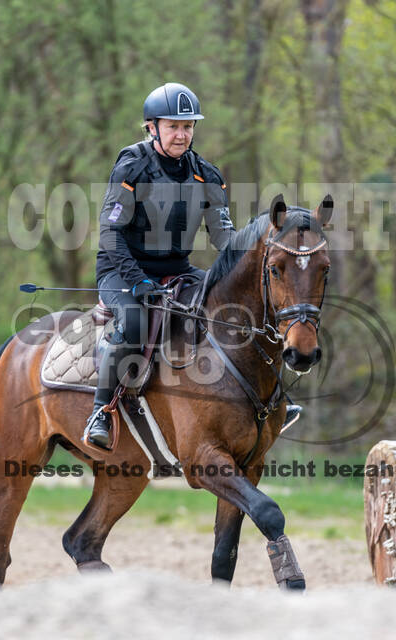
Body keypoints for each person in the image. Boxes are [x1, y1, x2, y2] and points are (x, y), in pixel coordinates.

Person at [84, 82, 301, 448]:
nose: (181, 135)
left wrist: (260, 247)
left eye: (188, 127)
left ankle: (280, 396)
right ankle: (101, 411)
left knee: (234, 308)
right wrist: (136, 281)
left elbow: (224, 239)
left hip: (177, 269)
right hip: (122, 271)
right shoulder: (132, 166)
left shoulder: (206, 175)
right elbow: (110, 233)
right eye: (173, 126)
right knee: (135, 321)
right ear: (152, 127)